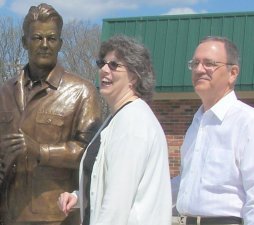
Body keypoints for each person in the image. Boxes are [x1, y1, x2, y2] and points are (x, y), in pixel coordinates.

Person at [0, 3, 101, 225]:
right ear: (24, 41)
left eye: (52, 38)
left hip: (56, 217)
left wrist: (41, 151)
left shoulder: (82, 92)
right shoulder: (4, 92)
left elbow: (91, 155)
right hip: (9, 215)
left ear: (60, 43)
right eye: (37, 38)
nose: (45, 45)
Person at [58, 35, 172, 225]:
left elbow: (117, 203)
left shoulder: (133, 122)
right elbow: (108, 181)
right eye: (101, 63)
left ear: (134, 76)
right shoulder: (117, 118)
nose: (103, 70)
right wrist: (80, 196)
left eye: (114, 65)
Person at [172, 36, 254, 225]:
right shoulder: (197, 123)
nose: (199, 69)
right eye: (195, 63)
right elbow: (186, 182)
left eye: (209, 63)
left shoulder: (247, 122)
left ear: (233, 73)